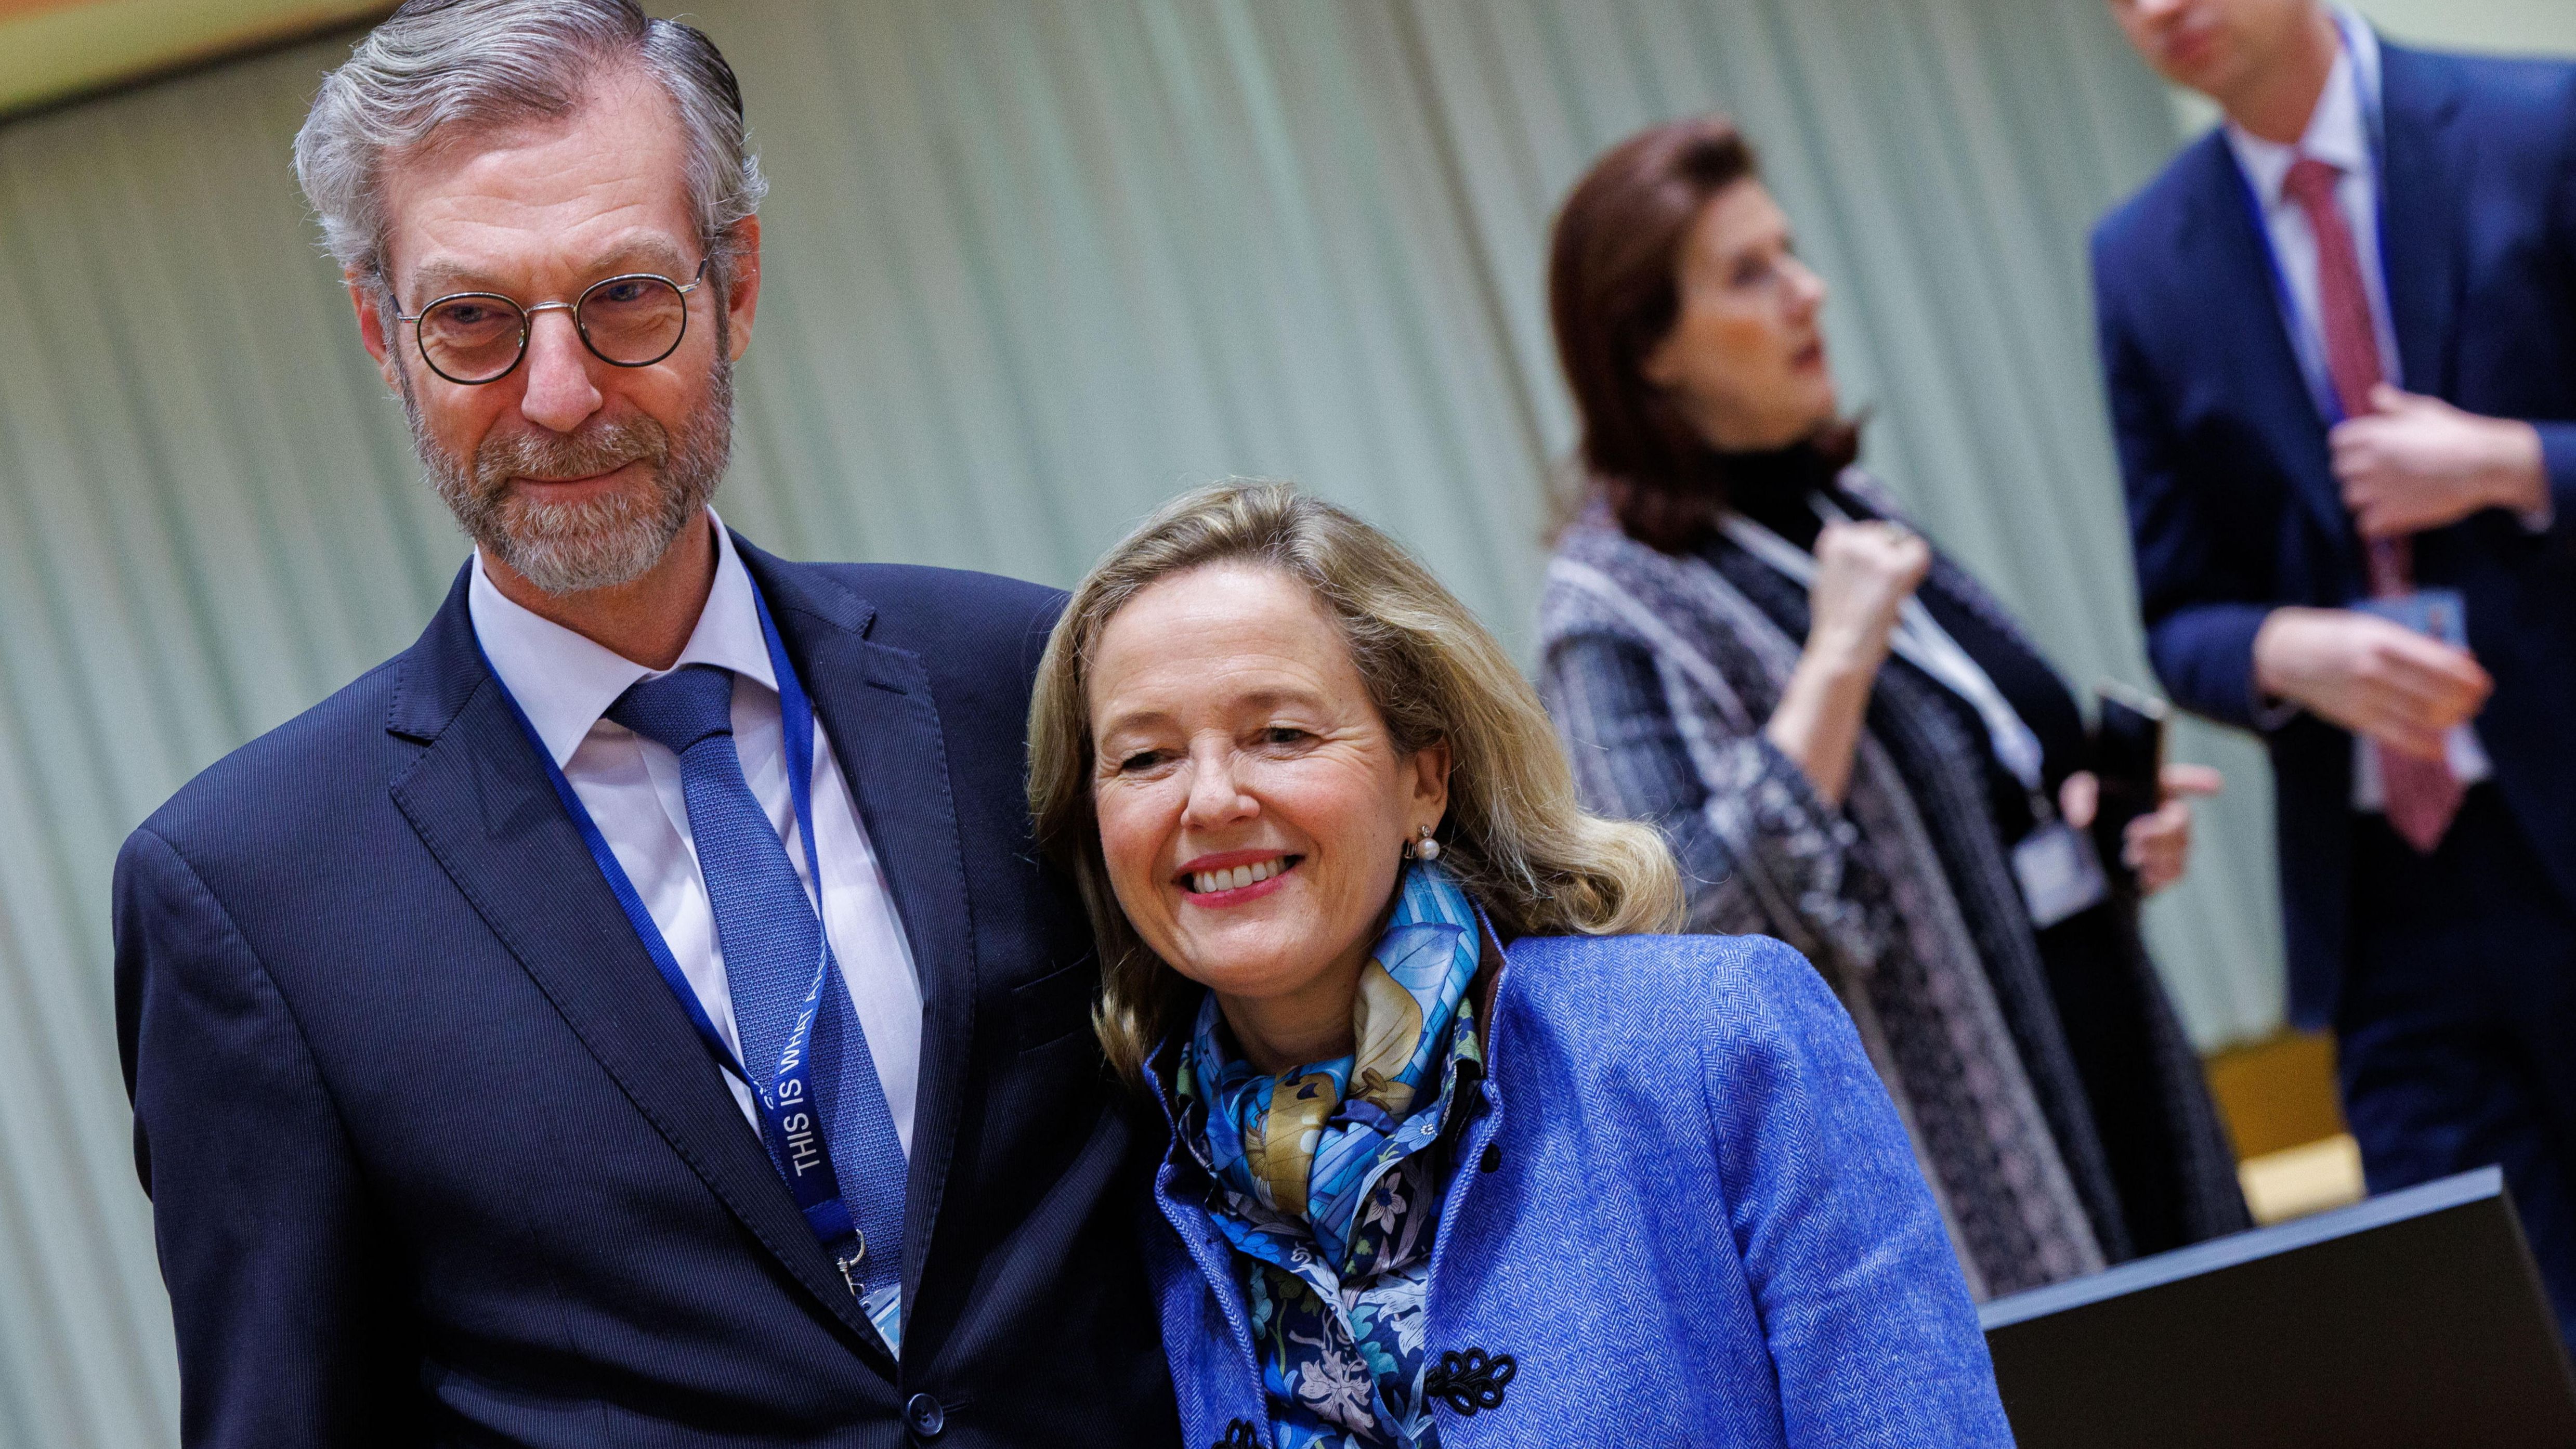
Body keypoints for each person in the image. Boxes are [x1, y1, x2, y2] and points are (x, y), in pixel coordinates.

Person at [111, 3, 1174, 1442]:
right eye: (471, 320)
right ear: (380, 334)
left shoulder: (1022, 681)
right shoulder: (250, 899)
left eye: (624, 296)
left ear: (736, 286)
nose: (557, 396)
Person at [1025, 480, 2014, 1447]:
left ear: (1425, 778)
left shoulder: (1718, 1040)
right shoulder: (1120, 1195)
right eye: (1145, 758)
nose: (1210, 801)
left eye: (1281, 735)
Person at [1534, 116, 2250, 1303]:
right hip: (1953, 1184)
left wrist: (2099, 827)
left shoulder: (1844, 501)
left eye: (1791, 253)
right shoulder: (1615, 606)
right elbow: (1679, 925)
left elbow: (1964, 798)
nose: (1808, 291)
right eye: (1750, 274)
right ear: (1649, 349)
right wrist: (1836, 659)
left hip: (2115, 1070)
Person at [2094, 0, 2576, 1336]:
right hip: (2384, 905)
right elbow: (2179, 614)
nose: (2158, 10)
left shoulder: (2540, 127)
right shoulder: (2139, 258)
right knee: (2483, 1346)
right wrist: (2282, 649)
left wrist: (2514, 462)